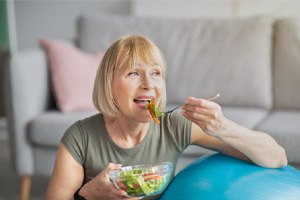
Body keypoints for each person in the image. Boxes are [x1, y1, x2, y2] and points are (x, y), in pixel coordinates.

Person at [45, 35, 287, 200]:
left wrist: (223, 127)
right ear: (108, 84)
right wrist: (89, 194)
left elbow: (277, 157)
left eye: (156, 73)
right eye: (133, 73)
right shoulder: (80, 137)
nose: (148, 84)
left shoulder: (174, 125)